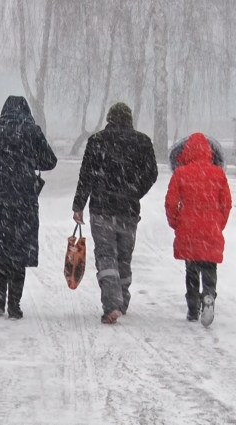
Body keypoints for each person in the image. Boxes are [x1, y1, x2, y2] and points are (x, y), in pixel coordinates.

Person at [0, 96, 58, 320]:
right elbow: (50, 161)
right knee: (19, 250)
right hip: (24, 200)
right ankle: (14, 303)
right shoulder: (33, 132)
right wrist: (28, 160)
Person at [72, 102, 158, 324]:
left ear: (109, 119)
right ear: (130, 119)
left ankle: (112, 304)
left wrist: (79, 205)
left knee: (106, 256)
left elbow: (86, 176)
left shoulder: (97, 141)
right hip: (128, 211)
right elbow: (152, 174)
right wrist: (134, 192)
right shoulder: (142, 142)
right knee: (124, 257)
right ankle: (123, 300)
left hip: (102, 208)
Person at [164, 133, 232, 327]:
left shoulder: (181, 173)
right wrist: (219, 223)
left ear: (186, 152)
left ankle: (193, 308)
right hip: (211, 229)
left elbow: (170, 203)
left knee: (191, 270)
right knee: (210, 267)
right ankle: (209, 295)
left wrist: (176, 223)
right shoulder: (218, 174)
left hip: (188, 229)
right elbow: (226, 204)